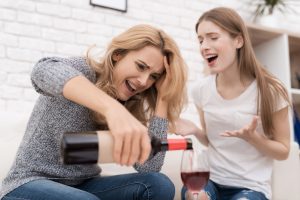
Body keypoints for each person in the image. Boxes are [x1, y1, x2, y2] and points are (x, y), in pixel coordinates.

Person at [0, 24, 188, 200]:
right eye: (140, 66)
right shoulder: (84, 71)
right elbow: (42, 70)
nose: (143, 81)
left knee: (159, 184)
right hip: (28, 183)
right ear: (118, 55)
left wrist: (163, 99)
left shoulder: (130, 104)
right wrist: (111, 108)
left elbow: (150, 167)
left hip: (84, 185)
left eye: (153, 76)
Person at [176, 7, 291, 200]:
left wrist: (253, 138)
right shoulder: (201, 90)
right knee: (194, 195)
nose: (204, 46)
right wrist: (196, 131)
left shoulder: (271, 92)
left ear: (238, 41)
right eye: (201, 39)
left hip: (251, 187)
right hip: (210, 180)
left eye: (213, 37)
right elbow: (212, 141)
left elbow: (283, 151)